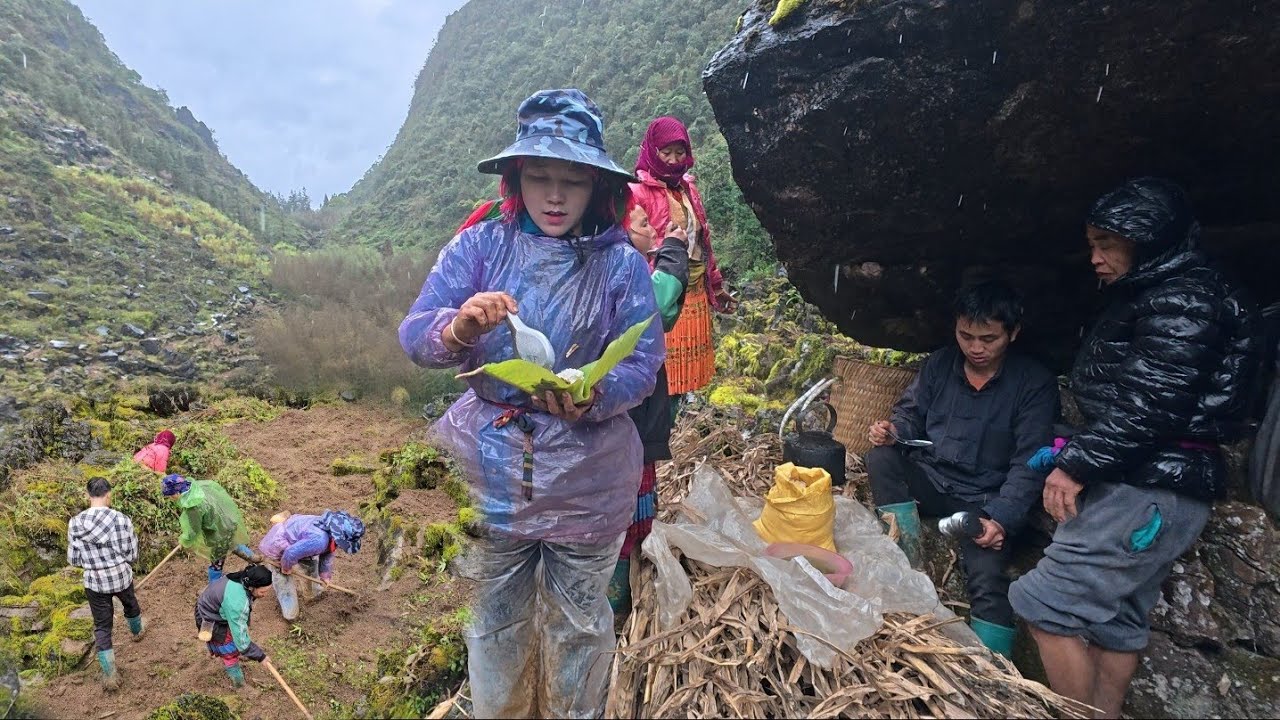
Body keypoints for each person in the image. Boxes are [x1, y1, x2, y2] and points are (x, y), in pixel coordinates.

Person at [398, 88, 664, 718]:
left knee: (579, 623)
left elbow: (644, 362)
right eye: (540, 176)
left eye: (570, 182)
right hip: (488, 467)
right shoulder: (481, 248)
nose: (553, 196)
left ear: (596, 187)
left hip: (587, 477)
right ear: (517, 177)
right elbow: (416, 333)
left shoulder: (622, 267)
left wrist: (595, 394)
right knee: (493, 621)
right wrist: (460, 327)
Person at [1008, 177, 1260, 718]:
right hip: (1164, 483)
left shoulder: (1184, 299)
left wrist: (1076, 463)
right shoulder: (1178, 292)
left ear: (1146, 239)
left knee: (1044, 603)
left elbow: (1154, 400)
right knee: (1115, 621)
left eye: (1106, 243)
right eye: (1092, 243)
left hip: (1147, 487)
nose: (1094, 257)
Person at [865, 281, 1058, 657]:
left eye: (989, 338)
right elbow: (910, 415)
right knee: (881, 459)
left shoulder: (1033, 384)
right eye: (965, 335)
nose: (975, 348)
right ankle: (908, 559)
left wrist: (1000, 519)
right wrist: (894, 432)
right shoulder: (940, 364)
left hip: (984, 501)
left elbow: (1030, 462)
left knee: (987, 575)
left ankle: (993, 672)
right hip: (934, 481)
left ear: (1013, 333)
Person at [608, 198, 691, 618]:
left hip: (634, 415)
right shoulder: (627, 267)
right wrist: (675, 250)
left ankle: (630, 590)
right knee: (625, 508)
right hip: (629, 416)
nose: (653, 230)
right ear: (624, 229)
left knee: (638, 503)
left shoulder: (631, 264)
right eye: (643, 223)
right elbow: (660, 306)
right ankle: (619, 603)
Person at [629, 116, 735, 399]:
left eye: (680, 153)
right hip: (663, 292)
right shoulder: (636, 192)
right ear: (652, 151)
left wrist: (715, 286)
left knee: (685, 380)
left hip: (695, 292)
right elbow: (630, 249)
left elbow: (703, 240)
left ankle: (669, 428)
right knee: (658, 373)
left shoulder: (689, 189)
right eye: (666, 153)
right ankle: (655, 434)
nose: (674, 160)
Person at [67, 477, 147, 690]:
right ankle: (137, 631)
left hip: (94, 581)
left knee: (102, 626)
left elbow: (74, 560)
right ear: (108, 493)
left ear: (88, 495)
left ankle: (111, 675)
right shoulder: (122, 519)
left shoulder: (75, 523)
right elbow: (132, 554)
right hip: (120, 575)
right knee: (130, 604)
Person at [257, 510, 365, 620]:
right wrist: (286, 567)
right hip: (277, 545)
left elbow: (327, 553)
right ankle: (291, 614)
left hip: (298, 543)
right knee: (283, 579)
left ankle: (313, 596)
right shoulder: (319, 540)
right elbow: (290, 553)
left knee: (311, 566)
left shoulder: (329, 530)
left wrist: (325, 575)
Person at [161, 473, 261, 582]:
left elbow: (194, 529)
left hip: (219, 534)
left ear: (177, 493)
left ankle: (213, 585)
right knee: (232, 542)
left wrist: (185, 540)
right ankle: (252, 557)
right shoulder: (197, 488)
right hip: (228, 522)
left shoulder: (193, 506)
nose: (170, 498)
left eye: (170, 496)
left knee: (216, 561)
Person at [195, 564, 273, 688]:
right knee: (228, 649)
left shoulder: (242, 579)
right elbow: (241, 641)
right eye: (263, 591)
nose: (265, 595)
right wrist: (260, 656)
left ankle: (237, 656)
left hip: (214, 608)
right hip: (210, 618)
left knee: (235, 640)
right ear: (252, 587)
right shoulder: (237, 602)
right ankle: (239, 684)